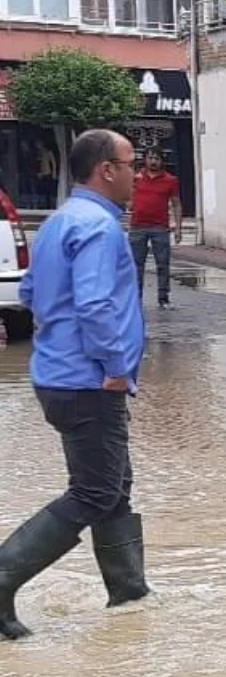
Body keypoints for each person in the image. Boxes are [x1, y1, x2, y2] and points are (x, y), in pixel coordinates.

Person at [0, 130, 150, 641]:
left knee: (113, 488)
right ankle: (2, 579)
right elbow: (94, 305)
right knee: (95, 490)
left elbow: (29, 291)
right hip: (89, 382)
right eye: (130, 164)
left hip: (58, 375)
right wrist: (113, 365)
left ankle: (131, 599)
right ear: (106, 170)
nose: (137, 173)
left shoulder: (61, 220)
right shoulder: (99, 229)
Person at [128, 145, 182, 309]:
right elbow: (126, 195)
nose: (153, 162)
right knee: (136, 265)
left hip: (160, 226)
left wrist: (178, 227)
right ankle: (135, 298)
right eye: (150, 158)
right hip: (138, 226)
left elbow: (176, 204)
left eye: (156, 158)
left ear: (161, 161)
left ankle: (163, 298)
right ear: (145, 159)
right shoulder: (136, 178)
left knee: (163, 263)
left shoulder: (170, 180)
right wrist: (130, 204)